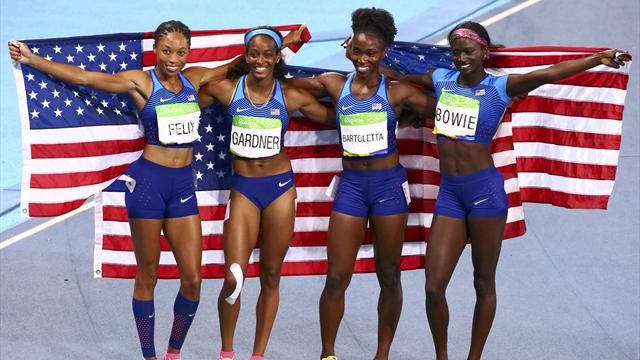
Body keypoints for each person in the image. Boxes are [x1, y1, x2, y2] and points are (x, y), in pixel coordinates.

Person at [8, 20, 302, 360]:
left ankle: (172, 352)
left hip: (182, 188)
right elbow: (86, 77)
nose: (173, 58)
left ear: (188, 53)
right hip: (149, 184)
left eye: (180, 52)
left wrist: (289, 43)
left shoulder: (195, 79)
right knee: (148, 274)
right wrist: (33, 60)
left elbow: (247, 63)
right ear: (155, 51)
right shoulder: (140, 82)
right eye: (166, 51)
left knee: (193, 280)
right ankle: (150, 356)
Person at [386, 21, 630, 360]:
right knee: (433, 286)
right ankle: (441, 356)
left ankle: (474, 357)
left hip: (485, 193)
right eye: (455, 52)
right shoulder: (441, 80)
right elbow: (397, 76)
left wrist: (596, 59)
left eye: (467, 51)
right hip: (450, 196)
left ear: (484, 52)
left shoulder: (500, 87)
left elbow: (550, 73)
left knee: (483, 281)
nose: (460, 58)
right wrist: (368, 56)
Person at [286, 8, 436, 360]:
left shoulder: (398, 92)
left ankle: (381, 355)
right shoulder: (333, 85)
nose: (364, 59)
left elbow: (451, 102)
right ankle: (328, 354)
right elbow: (279, 86)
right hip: (352, 188)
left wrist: (498, 92)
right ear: (349, 48)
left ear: (383, 53)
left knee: (388, 274)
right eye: (358, 51)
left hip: (388, 189)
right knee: (337, 276)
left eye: (372, 53)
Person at [197, 25, 333, 360]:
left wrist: (393, 115)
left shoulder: (289, 95)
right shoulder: (227, 90)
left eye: (267, 54)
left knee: (271, 275)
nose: (260, 61)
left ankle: (258, 354)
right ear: (245, 56)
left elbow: (335, 117)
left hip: (280, 190)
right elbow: (191, 86)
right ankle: (227, 351)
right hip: (244, 190)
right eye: (254, 54)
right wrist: (235, 64)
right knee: (234, 275)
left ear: (277, 59)